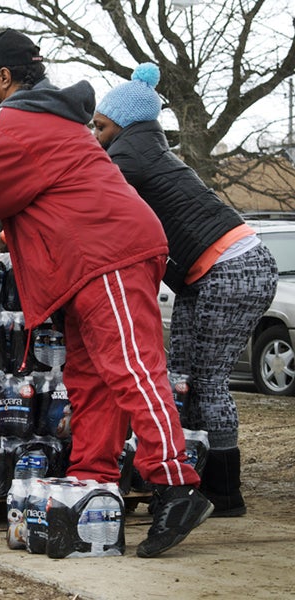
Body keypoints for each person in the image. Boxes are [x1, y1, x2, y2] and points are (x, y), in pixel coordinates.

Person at [0, 28, 214, 558]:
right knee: (91, 377)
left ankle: (176, 485)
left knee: (131, 368)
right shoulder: (39, 120)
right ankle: (92, 479)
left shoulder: (17, 120)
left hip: (106, 251)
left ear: (7, 77)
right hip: (84, 261)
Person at [92, 63, 278, 518]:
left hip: (231, 268)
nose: (93, 133)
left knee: (208, 382)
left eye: (99, 125)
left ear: (124, 124)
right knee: (183, 377)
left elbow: (86, 197)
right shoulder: (146, 151)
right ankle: (191, 479)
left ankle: (225, 494)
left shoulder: (127, 159)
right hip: (214, 270)